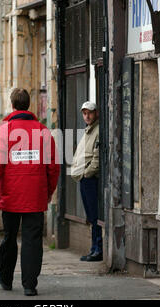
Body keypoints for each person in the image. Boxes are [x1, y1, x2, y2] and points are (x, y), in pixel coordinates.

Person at [0, 88, 60, 296]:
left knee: (9, 236)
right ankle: (29, 284)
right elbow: (53, 167)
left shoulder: (4, 132)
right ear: (29, 105)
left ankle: (6, 279)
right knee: (32, 239)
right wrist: (48, 191)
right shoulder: (43, 132)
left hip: (11, 195)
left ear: (12, 105)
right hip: (35, 195)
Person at [70, 101, 102, 262]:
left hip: (91, 179)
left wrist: (87, 173)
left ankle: (98, 248)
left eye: (89, 112)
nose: (87, 116)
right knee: (91, 215)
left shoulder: (97, 130)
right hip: (84, 179)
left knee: (95, 215)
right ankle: (93, 248)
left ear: (96, 113)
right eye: (84, 113)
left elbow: (97, 156)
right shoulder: (88, 131)